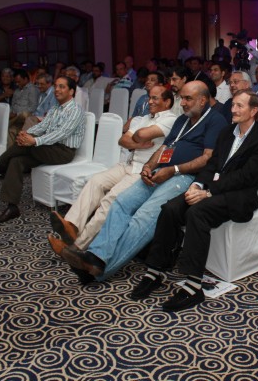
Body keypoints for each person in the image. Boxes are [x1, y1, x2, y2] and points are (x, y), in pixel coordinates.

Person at [57, 81, 227, 283]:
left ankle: (99, 270)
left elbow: (208, 158)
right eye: (182, 98)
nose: (182, 103)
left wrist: (173, 169)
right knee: (121, 203)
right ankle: (96, 255)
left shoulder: (216, 121)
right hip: (159, 171)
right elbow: (163, 148)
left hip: (183, 176)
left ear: (203, 100)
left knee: (144, 215)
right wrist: (148, 166)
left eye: (188, 99)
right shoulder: (182, 120)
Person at [128, 90, 258, 311]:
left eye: (239, 106)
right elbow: (212, 165)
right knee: (170, 208)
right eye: (233, 105)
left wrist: (208, 192)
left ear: (254, 111)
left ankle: (194, 285)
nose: (233, 109)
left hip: (240, 196)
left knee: (196, 212)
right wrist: (197, 184)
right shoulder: (227, 132)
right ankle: (156, 270)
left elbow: (246, 177)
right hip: (213, 188)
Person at [48, 86, 177, 254]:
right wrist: (138, 144)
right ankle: (71, 227)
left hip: (142, 171)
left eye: (155, 98)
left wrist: (135, 138)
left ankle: (78, 245)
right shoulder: (145, 118)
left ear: (167, 102)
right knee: (95, 181)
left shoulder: (171, 119)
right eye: (149, 97)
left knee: (110, 198)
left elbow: (141, 135)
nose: (150, 101)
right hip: (127, 164)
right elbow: (122, 140)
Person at [0, 76, 86, 224]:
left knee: (26, 145)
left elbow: (61, 133)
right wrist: (27, 134)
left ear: (71, 91)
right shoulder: (55, 108)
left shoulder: (75, 110)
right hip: (48, 148)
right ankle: (12, 207)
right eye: (56, 86)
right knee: (17, 161)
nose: (57, 90)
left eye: (62, 87)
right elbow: (42, 126)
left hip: (63, 152)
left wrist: (34, 141)